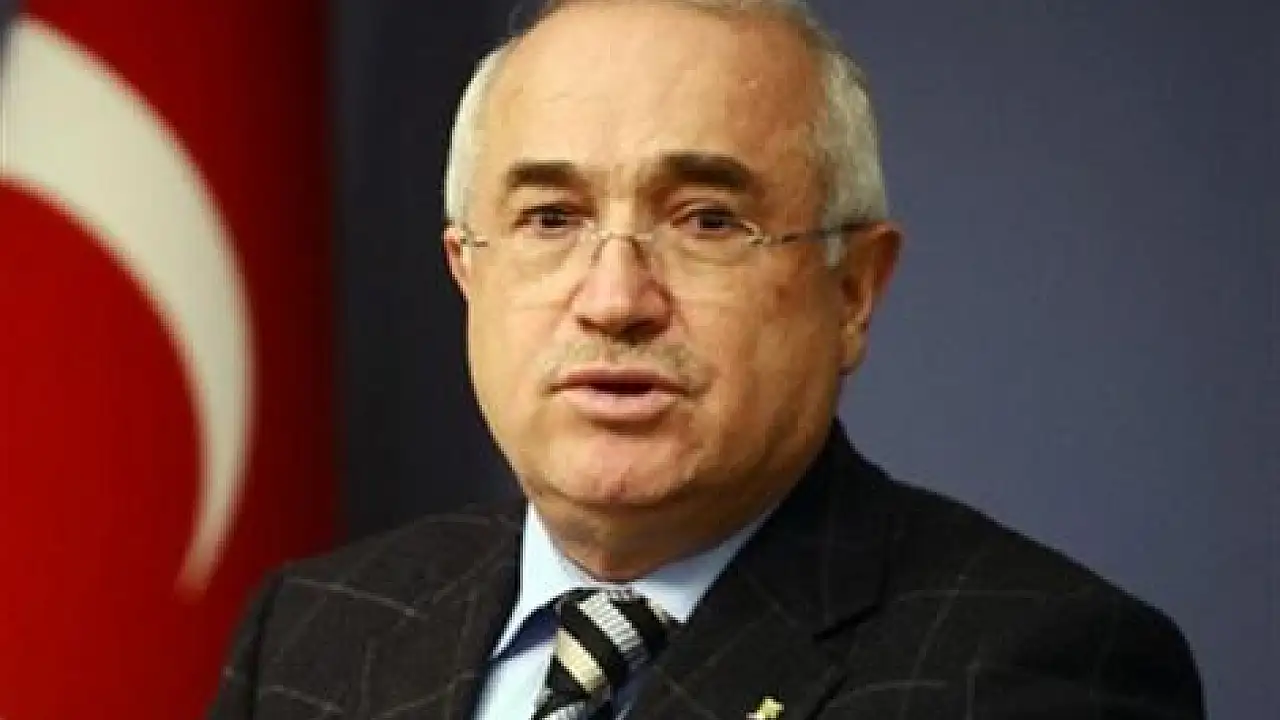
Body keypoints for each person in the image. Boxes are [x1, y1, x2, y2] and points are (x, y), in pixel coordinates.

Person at [210, 0, 1205, 718]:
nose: (614, 300)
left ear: (851, 289)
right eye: (550, 218)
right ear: (468, 271)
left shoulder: (1030, 670)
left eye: (707, 221)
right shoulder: (313, 631)